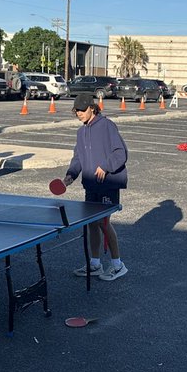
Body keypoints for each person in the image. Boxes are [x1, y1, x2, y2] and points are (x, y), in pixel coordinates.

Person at [60, 92, 129, 281]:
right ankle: (95, 264)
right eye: (76, 111)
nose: (79, 113)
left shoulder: (107, 126)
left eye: (82, 110)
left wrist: (106, 167)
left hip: (108, 184)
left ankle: (117, 265)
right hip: (91, 185)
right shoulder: (81, 132)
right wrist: (70, 175)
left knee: (104, 223)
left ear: (92, 108)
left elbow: (120, 153)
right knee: (92, 224)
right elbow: (78, 158)